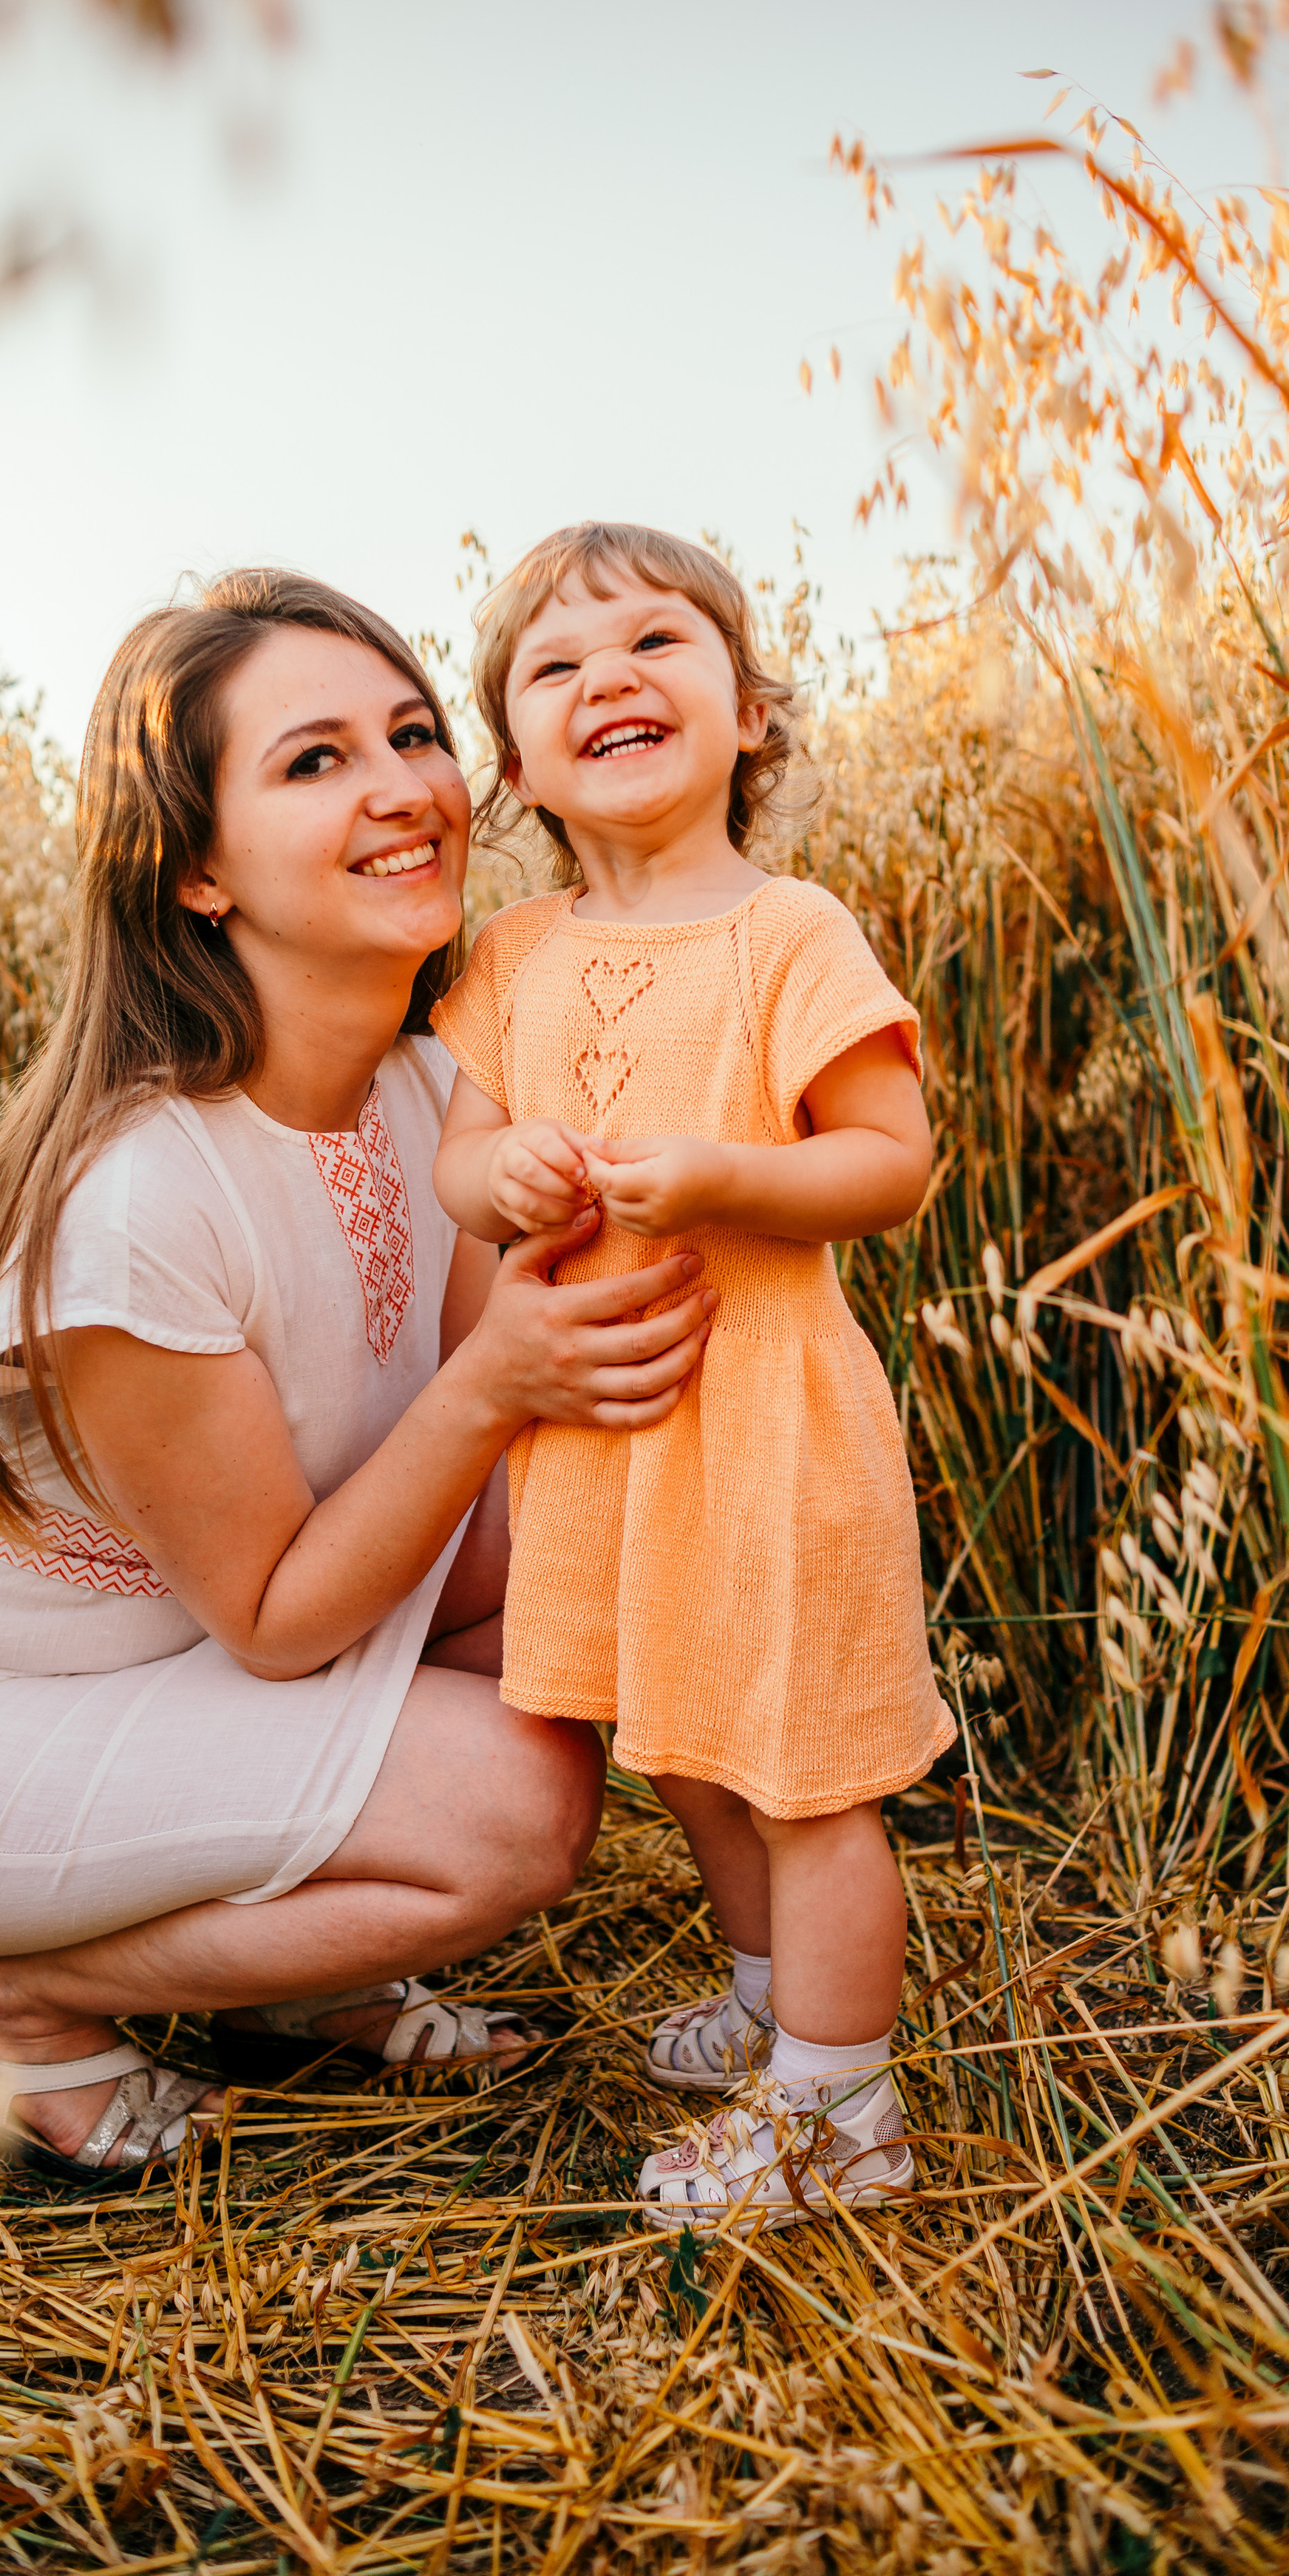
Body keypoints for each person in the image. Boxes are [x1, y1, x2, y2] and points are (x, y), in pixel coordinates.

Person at [0, 568, 716, 2184]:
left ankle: (301, 1968)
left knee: (590, 1586)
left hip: (190, 1662)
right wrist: (497, 1381)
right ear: (198, 870)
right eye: (313, 760)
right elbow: (285, 1621)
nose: (401, 787)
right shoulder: (139, 1194)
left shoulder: (440, 1096)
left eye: (412, 734)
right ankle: (12, 1995)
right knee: (514, 1811)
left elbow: (483, 1524)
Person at [431, 522, 950, 2231]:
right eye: (557, 668)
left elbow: (889, 1158)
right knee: (688, 1749)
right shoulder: (511, 957)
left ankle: (837, 2108)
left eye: (657, 644)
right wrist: (494, 1183)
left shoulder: (785, 931)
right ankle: (760, 1996)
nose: (611, 682)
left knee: (802, 1767)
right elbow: (466, 1151)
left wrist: (727, 1176)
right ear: (513, 762)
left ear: (746, 713)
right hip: (610, 1434)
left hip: (765, 1421)